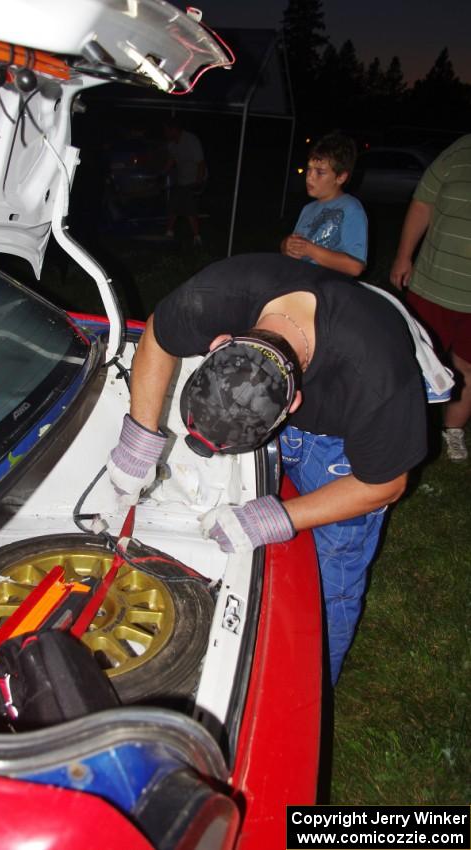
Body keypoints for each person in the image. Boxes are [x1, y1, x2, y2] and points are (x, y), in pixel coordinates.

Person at [107, 253, 428, 685]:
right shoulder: (214, 297)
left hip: (342, 446)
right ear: (219, 342)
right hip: (299, 397)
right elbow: (159, 337)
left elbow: (386, 484)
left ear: (294, 405)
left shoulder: (376, 376)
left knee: (333, 571)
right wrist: (139, 437)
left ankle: (310, 686)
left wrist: (277, 517)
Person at [390, 134, 471, 462]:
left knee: (467, 366)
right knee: (416, 360)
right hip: (432, 283)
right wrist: (403, 255)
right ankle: (404, 432)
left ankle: (453, 432)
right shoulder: (460, 150)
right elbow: (423, 201)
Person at [281, 133, 368, 277]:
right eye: (309, 169)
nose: (310, 177)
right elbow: (296, 248)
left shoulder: (351, 208)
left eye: (320, 172)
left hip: (330, 290)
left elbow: (355, 266)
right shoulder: (308, 209)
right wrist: (286, 246)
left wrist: (310, 250)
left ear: (341, 177)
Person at [163, 119, 206, 246]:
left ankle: (197, 238)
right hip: (182, 180)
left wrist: (198, 183)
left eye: (166, 130)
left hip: (195, 180)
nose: (164, 133)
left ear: (174, 130)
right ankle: (169, 233)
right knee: (173, 204)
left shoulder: (191, 140)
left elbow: (201, 163)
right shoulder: (171, 144)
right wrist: (162, 173)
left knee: (189, 208)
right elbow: (172, 159)